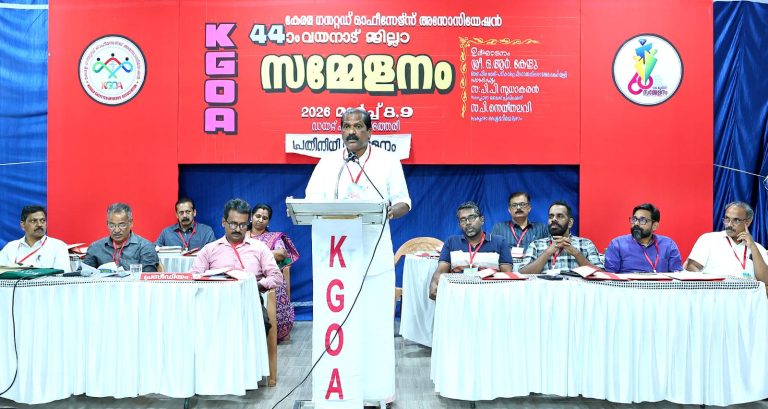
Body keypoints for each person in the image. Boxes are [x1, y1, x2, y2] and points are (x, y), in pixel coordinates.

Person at [305, 107, 411, 404]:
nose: (351, 131)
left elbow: (404, 202)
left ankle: (376, 391)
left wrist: (390, 210)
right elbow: (311, 202)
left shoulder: (388, 161)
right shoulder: (328, 163)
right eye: (346, 126)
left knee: (375, 326)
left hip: (374, 258)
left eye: (357, 126)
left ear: (369, 131)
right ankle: (338, 389)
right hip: (336, 263)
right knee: (340, 326)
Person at [190, 198, 283, 291]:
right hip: (218, 296)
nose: (238, 229)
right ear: (223, 222)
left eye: (243, 225)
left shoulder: (260, 247)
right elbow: (193, 277)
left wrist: (255, 287)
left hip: (251, 296)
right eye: (233, 224)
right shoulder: (209, 250)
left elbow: (277, 277)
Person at [429, 201, 513, 300]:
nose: (468, 223)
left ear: (482, 220)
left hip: (489, 296)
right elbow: (441, 271)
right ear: (459, 224)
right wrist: (433, 283)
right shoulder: (451, 242)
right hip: (457, 295)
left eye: (472, 217)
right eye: (463, 220)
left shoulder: (500, 242)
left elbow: (507, 276)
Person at [249, 203, 299, 341]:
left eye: (264, 218)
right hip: (244, 275)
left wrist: (255, 254)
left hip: (266, 276)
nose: (260, 220)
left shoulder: (274, 237)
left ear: (268, 222)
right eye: (258, 216)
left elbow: (281, 254)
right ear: (251, 217)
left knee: (275, 284)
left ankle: (270, 333)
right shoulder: (241, 236)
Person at [684, 201, 768, 283]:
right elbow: (691, 266)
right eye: (727, 219)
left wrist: (753, 247)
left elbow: (765, 280)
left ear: (748, 222)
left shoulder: (758, 248)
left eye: (736, 220)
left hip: (748, 291)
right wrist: (708, 285)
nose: (729, 224)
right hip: (714, 290)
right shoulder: (708, 239)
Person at [519, 201, 603, 274]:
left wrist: (576, 253)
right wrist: (548, 252)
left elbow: (601, 274)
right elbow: (522, 273)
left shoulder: (586, 244)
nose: (553, 219)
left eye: (559, 216)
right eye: (551, 216)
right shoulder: (536, 245)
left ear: (570, 223)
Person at [604, 203, 683, 273]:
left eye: (642, 220)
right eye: (634, 219)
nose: (636, 223)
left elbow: (677, 276)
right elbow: (609, 277)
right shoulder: (617, 244)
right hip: (628, 285)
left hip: (660, 285)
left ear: (654, 226)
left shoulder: (668, 245)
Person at [83, 203, 159, 271]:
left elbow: (148, 278)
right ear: (107, 224)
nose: (116, 230)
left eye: (122, 225)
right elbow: (82, 276)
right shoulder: (96, 247)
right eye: (112, 225)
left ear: (131, 223)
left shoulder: (145, 247)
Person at [0, 205, 70, 270]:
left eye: (42, 220)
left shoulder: (58, 246)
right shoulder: (10, 247)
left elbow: (62, 276)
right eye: (34, 221)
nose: (39, 224)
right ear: (23, 225)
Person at [490, 191, 548, 267]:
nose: (518, 208)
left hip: (534, 270)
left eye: (522, 204)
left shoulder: (541, 228)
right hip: (507, 270)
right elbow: (492, 253)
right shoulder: (499, 228)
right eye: (514, 205)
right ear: (509, 210)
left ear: (529, 208)